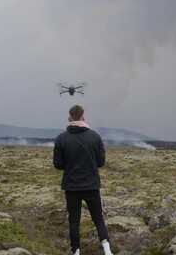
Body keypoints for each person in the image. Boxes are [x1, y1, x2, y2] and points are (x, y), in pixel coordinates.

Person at [53, 105, 113, 255]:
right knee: (98, 219)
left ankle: (76, 252)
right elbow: (101, 162)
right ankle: (107, 250)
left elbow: (58, 164)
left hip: (72, 187)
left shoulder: (61, 138)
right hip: (92, 185)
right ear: (83, 116)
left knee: (74, 221)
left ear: (69, 117)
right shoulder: (95, 136)